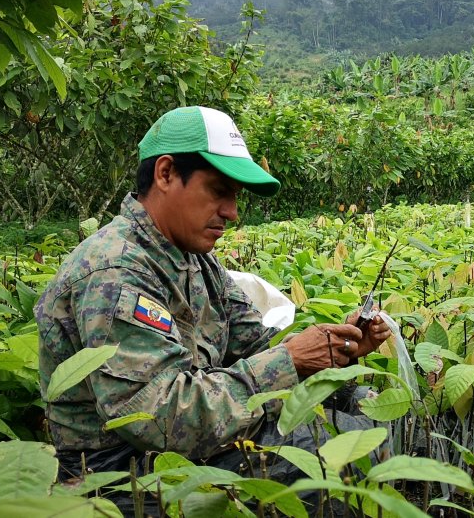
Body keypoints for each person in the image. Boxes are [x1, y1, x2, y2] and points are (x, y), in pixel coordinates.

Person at [35, 106, 392, 509]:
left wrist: (334, 352)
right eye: (219, 191)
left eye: (235, 196)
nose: (232, 212)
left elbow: (255, 344)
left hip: (196, 440)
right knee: (341, 461)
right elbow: (160, 421)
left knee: (368, 414)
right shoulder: (115, 271)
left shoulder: (193, 257)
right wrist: (290, 361)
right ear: (166, 174)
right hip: (123, 473)